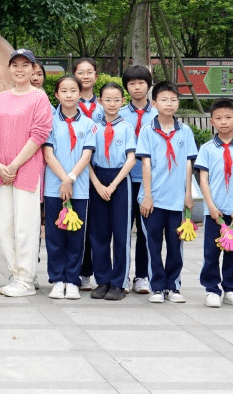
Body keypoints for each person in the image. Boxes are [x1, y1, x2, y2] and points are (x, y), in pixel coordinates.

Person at [0, 49, 53, 297]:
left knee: (25, 226)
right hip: (2, 171)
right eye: (15, 65)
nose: (19, 69)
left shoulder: (39, 98)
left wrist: (15, 165)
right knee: (4, 226)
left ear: (33, 69)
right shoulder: (1, 98)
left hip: (27, 169)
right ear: (9, 68)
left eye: (25, 65)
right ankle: (15, 274)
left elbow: (39, 134)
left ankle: (26, 278)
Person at [136, 81, 197, 304]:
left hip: (177, 199)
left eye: (173, 100)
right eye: (164, 100)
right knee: (153, 244)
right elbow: (145, 164)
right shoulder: (147, 130)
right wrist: (148, 195)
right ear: (154, 103)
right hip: (153, 198)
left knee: (175, 244)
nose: (169, 104)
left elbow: (189, 164)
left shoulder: (185, 131)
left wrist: (188, 195)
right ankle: (157, 286)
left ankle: (173, 286)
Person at [195, 98, 233, 308]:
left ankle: (231, 289)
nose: (223, 122)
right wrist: (211, 206)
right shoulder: (206, 149)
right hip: (215, 212)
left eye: (228, 117)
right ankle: (212, 289)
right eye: (218, 118)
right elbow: (203, 179)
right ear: (212, 121)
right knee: (211, 253)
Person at [42, 75, 95, 300]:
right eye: (63, 91)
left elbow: (86, 155)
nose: (69, 95)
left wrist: (70, 179)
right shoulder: (50, 121)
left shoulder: (89, 124)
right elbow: (48, 154)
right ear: (56, 95)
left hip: (79, 189)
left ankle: (72, 280)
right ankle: (57, 279)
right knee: (54, 236)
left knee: (76, 236)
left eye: (73, 90)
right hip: (54, 188)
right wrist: (64, 180)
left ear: (80, 93)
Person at [86, 82, 136, 301]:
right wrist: (97, 184)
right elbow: (86, 158)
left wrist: (113, 185)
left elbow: (131, 159)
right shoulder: (93, 127)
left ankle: (119, 283)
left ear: (123, 101)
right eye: (108, 99)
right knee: (98, 233)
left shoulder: (126, 127)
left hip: (120, 179)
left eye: (117, 99)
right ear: (100, 101)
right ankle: (103, 280)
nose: (112, 103)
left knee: (121, 233)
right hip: (98, 177)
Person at [120, 65, 156, 294]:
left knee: (145, 230)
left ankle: (142, 276)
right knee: (123, 230)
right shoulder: (119, 113)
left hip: (149, 181)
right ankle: (122, 276)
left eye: (141, 82)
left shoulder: (158, 114)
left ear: (148, 85)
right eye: (132, 83)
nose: (137, 87)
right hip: (124, 179)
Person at [72, 57, 101, 290]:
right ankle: (73, 270)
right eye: (80, 72)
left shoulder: (104, 107)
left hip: (99, 170)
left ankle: (87, 272)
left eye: (89, 72)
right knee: (74, 221)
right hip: (74, 169)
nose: (85, 76)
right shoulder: (68, 106)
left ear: (96, 76)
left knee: (94, 224)